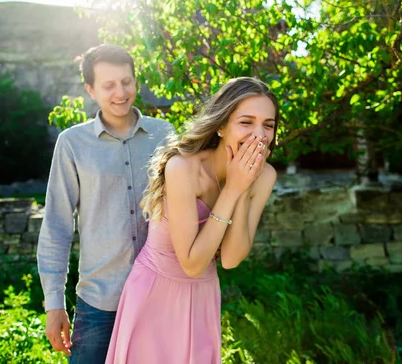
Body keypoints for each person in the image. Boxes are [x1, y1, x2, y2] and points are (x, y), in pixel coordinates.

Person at [105, 77, 279, 364]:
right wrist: (233, 188)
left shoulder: (265, 175)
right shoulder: (183, 168)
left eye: (268, 125)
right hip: (154, 296)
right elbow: (192, 263)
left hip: (203, 297)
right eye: (246, 122)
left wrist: (244, 187)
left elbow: (231, 260)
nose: (259, 135)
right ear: (221, 126)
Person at [37, 44, 175, 364]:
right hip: (100, 304)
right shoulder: (72, 143)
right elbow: (57, 226)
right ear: (90, 89)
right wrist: (53, 303)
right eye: (109, 85)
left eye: (126, 82)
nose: (120, 92)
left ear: (136, 82)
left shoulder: (165, 135)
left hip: (160, 297)